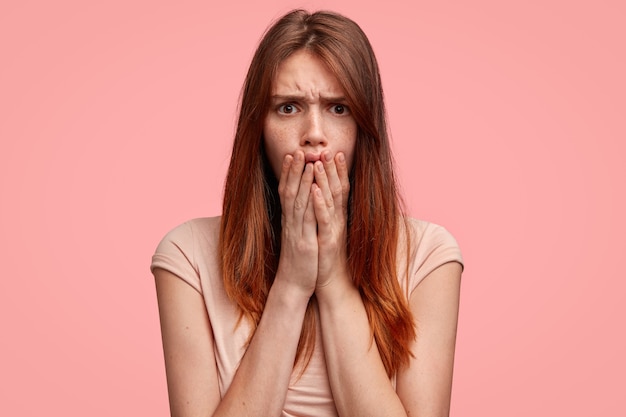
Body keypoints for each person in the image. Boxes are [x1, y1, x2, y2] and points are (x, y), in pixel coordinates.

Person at [151, 9, 463, 417]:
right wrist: (292, 284)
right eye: (288, 107)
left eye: (338, 108)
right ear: (257, 129)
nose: (314, 132)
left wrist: (333, 281)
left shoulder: (430, 256)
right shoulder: (186, 256)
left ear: (364, 128)